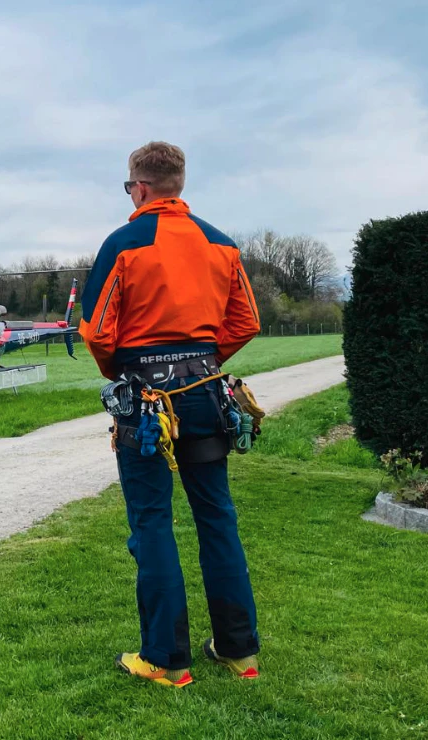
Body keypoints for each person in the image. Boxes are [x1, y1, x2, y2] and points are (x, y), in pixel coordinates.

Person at [80, 141, 263, 688]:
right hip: (208, 397)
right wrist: (203, 364)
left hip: (146, 403)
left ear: (138, 187)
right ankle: (239, 652)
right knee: (217, 518)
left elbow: (95, 330)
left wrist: (128, 372)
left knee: (153, 523)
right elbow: (246, 320)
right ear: (178, 185)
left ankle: (166, 659)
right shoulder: (221, 244)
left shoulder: (124, 243)